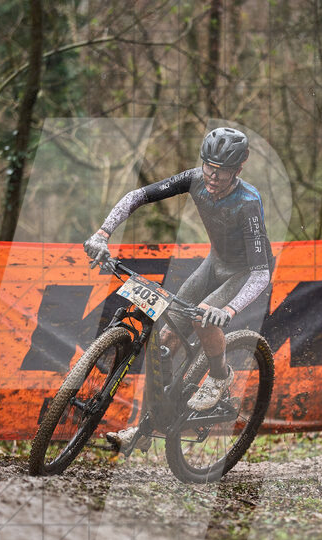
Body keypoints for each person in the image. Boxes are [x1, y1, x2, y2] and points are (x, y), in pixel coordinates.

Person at [84, 127, 273, 455]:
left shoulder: (248, 201)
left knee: (203, 317)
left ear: (237, 171)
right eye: (208, 168)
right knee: (166, 339)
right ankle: (145, 428)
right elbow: (137, 196)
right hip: (214, 263)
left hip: (244, 272)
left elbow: (260, 273)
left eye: (222, 172)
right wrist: (102, 233)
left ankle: (219, 375)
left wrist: (228, 311)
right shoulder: (195, 179)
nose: (212, 178)